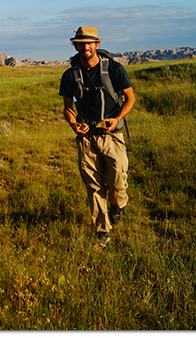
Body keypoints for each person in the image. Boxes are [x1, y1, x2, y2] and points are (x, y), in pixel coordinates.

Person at [59, 27, 135, 248]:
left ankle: (118, 207)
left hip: (113, 135)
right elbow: (67, 107)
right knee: (94, 187)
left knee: (118, 182)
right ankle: (103, 229)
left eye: (89, 43)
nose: (85, 47)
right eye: (80, 44)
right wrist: (74, 124)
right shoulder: (70, 75)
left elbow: (130, 98)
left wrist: (117, 118)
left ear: (97, 45)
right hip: (87, 139)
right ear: (76, 46)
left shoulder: (114, 69)